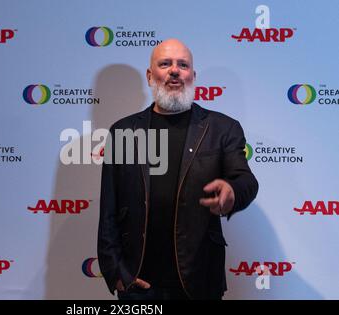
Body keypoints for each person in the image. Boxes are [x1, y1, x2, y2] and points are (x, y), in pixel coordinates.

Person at [97, 39, 259, 300]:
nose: (174, 70)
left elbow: (246, 181)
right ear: (150, 75)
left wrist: (232, 191)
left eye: (182, 65)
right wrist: (115, 271)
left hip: (199, 281)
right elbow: (109, 209)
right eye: (165, 64)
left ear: (192, 76)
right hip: (137, 283)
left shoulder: (222, 128)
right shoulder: (123, 131)